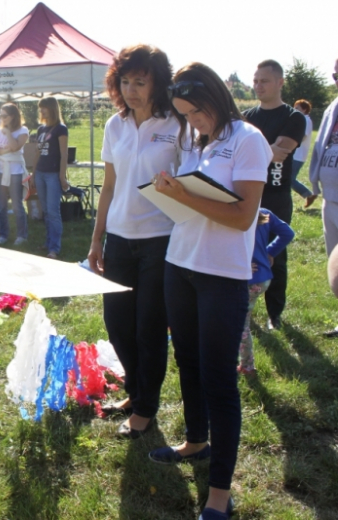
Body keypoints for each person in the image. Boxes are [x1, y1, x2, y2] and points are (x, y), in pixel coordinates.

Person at [147, 62, 272, 520]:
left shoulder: (248, 139)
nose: (192, 123)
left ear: (215, 98)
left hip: (222, 275)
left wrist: (183, 196)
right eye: (184, 115)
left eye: (196, 113)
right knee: (189, 361)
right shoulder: (199, 141)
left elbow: (242, 216)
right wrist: (170, 190)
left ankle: (219, 491)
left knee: (219, 379)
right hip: (179, 265)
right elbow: (194, 204)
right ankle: (196, 441)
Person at [87, 44, 178, 439]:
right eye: (125, 81)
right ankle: (135, 391)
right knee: (118, 323)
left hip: (161, 240)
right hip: (119, 241)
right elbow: (108, 186)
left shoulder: (178, 125)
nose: (131, 90)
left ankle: (145, 408)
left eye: (140, 82)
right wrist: (96, 240)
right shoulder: (115, 126)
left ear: (158, 83)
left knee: (149, 328)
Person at [243, 59, 306, 331]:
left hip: (276, 196)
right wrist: (266, 151)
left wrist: (254, 153)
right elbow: (245, 153)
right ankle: (244, 306)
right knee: (243, 252)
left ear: (280, 83)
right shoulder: (246, 117)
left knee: (274, 256)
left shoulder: (294, 117)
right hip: (247, 194)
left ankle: (274, 313)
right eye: (255, 81)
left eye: (264, 81)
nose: (258, 86)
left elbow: (283, 150)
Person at [239, 209, 294, 375]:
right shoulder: (262, 212)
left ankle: (247, 366)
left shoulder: (234, 217)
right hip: (262, 278)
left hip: (246, 278)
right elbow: (287, 233)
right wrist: (269, 252)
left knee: (240, 325)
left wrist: (241, 264)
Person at [309, 58, 338, 336]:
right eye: (335, 75)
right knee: (335, 263)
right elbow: (320, 146)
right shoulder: (333, 107)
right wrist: (315, 181)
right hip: (331, 199)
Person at [0, 103, 30, 245]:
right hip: (1, 170)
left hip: (15, 172)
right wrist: (4, 151)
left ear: (13, 117)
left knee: (17, 205)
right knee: (1, 206)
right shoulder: (0, 131)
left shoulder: (23, 130)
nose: (1, 118)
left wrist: (7, 133)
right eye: (0, 115)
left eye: (4, 116)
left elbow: (15, 147)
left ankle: (22, 235)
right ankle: (4, 234)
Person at [34, 97, 69, 259]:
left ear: (52, 109)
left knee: (53, 212)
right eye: (40, 108)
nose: (41, 111)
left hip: (53, 175)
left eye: (44, 108)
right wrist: (33, 173)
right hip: (40, 173)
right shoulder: (41, 129)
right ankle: (48, 243)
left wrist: (62, 176)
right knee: (46, 211)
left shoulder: (61, 129)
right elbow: (37, 153)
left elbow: (64, 154)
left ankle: (54, 248)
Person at [292, 100, 317, 207]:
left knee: (289, 179)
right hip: (296, 154)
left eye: (297, 108)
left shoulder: (306, 120)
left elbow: (303, 136)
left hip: (298, 154)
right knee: (289, 178)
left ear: (304, 109)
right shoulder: (301, 119)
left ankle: (309, 194)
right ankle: (308, 194)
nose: (294, 110)